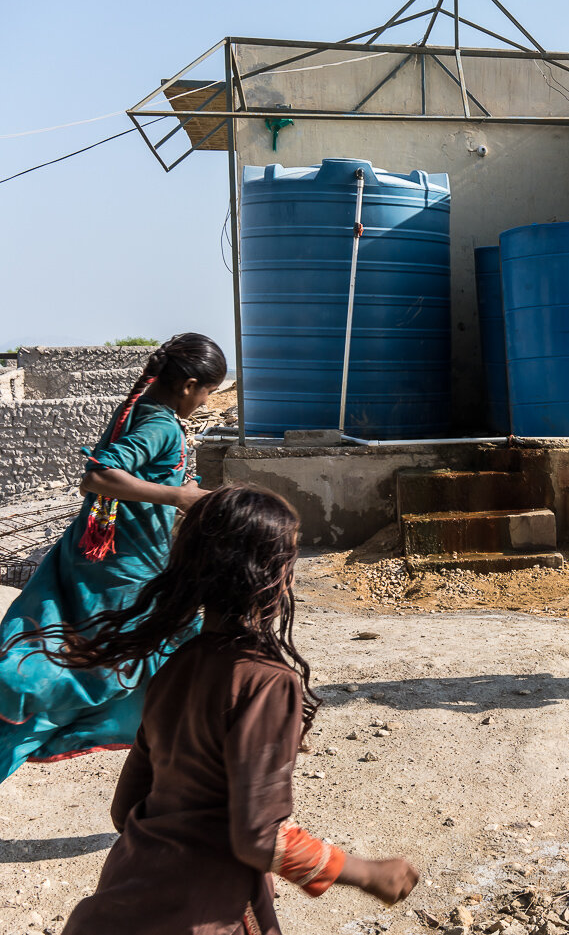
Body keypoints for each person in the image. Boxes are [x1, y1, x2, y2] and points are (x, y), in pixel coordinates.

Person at [1, 484, 419, 933]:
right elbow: (259, 837)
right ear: (270, 576)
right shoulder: (266, 682)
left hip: (119, 900)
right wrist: (366, 873)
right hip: (201, 916)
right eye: (289, 561)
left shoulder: (174, 666)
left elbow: (125, 809)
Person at [0, 333, 224, 781]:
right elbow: (99, 475)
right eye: (208, 393)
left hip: (105, 560)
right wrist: (178, 495)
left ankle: (163, 775)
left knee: (127, 664)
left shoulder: (143, 410)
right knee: (114, 670)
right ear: (189, 385)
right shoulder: (159, 425)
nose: (205, 403)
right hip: (125, 574)